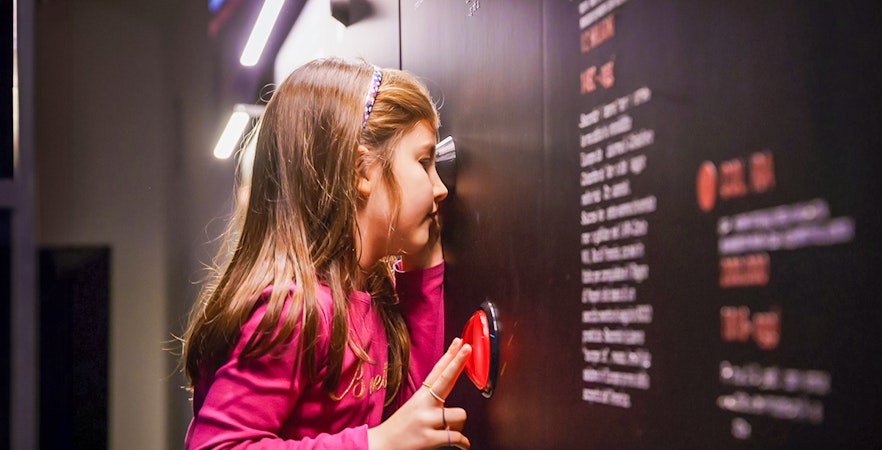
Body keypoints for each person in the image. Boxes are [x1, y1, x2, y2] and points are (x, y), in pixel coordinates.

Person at [181, 57, 472, 449]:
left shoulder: (366, 298)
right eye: (423, 162)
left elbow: (408, 416)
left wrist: (423, 268)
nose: (440, 188)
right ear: (361, 171)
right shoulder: (290, 307)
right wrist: (376, 444)